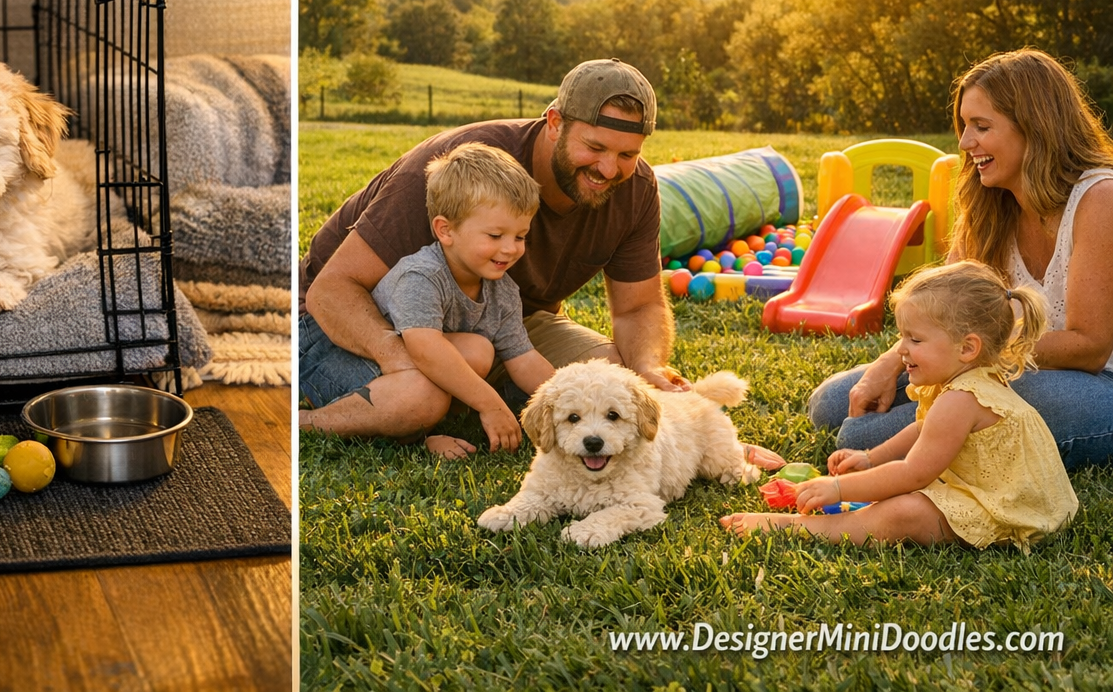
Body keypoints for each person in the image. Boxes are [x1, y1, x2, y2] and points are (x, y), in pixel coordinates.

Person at [298, 57, 785, 467]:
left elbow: (638, 309)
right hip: (352, 318)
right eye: (593, 147)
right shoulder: (458, 171)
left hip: (496, 321)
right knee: (423, 391)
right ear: (554, 123)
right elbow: (331, 290)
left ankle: (708, 447)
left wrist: (649, 372)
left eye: (627, 154)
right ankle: (354, 414)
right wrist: (413, 367)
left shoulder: (634, 190)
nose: (608, 169)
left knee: (609, 373)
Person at [808, 49, 1113, 469]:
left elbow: (1090, 347)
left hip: (1098, 384)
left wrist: (968, 359)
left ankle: (938, 428)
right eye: (964, 125)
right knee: (831, 404)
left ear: (1036, 128)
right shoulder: (990, 203)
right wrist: (888, 363)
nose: (966, 143)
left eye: (981, 127)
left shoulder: (1100, 200)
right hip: (1003, 364)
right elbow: (942, 313)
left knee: (861, 435)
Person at [723, 261, 1078, 550]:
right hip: (1014, 499)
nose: (902, 349)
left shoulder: (960, 399)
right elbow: (924, 428)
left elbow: (914, 472)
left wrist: (839, 488)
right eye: (902, 337)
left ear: (967, 348)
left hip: (1008, 514)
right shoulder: (968, 381)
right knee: (906, 492)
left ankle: (798, 528)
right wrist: (871, 459)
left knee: (904, 511)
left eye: (915, 338)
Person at [358, 142, 549, 460]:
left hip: (419, 380)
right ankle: (414, 436)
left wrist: (571, 398)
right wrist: (491, 405)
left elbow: (523, 358)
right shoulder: (421, 276)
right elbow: (426, 352)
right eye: (495, 235)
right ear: (445, 231)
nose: (510, 249)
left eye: (520, 236)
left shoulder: (502, 290)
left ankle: (429, 425)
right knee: (433, 381)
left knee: (476, 352)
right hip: (363, 375)